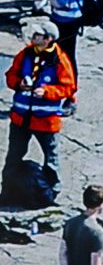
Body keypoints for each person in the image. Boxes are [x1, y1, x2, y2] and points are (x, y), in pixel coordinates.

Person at [7, 19, 74, 201]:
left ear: (48, 39)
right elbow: (11, 75)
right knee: (13, 156)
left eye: (37, 35)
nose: (33, 37)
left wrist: (46, 92)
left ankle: (52, 192)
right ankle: (7, 190)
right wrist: (18, 83)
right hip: (21, 117)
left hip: (46, 120)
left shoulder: (60, 59)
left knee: (51, 159)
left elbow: (68, 88)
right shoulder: (25, 54)